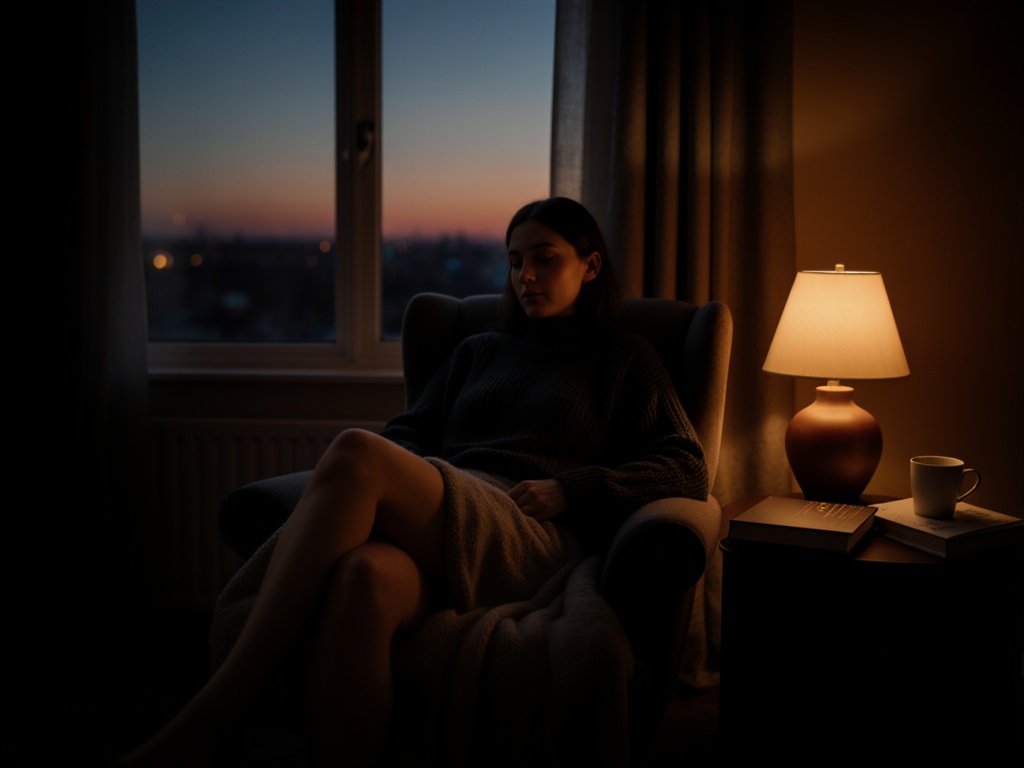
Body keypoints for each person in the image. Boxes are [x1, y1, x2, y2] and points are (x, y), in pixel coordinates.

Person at [117, 196, 709, 767]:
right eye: (513, 260)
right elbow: (407, 434)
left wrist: (574, 489)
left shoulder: (626, 358)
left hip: (530, 530)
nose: (524, 275)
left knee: (355, 450)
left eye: (544, 257)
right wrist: (409, 486)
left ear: (590, 265)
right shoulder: (479, 350)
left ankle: (215, 712)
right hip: (449, 506)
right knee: (363, 578)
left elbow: (685, 464)